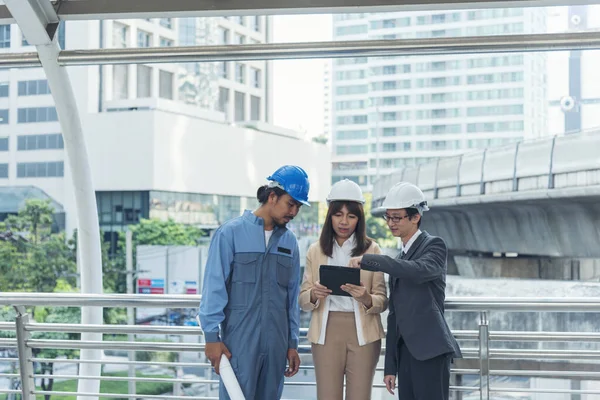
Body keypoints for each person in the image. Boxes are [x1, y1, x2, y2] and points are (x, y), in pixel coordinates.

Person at [198, 165, 310, 400]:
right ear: (272, 196)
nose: (294, 211)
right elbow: (213, 289)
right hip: (238, 344)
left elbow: (291, 299)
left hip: (277, 345)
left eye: (298, 207)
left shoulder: (289, 242)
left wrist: (292, 344)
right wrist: (211, 339)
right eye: (290, 203)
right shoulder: (230, 234)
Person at [348, 182, 462, 400]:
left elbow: (420, 270)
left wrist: (371, 260)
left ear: (416, 217)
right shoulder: (400, 258)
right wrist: (390, 365)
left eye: (397, 217)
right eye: (388, 217)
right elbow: (394, 315)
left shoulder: (434, 245)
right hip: (406, 354)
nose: (390, 223)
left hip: (430, 351)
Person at [299, 179, 388, 400]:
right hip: (326, 331)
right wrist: (313, 294)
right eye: (338, 214)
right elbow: (302, 299)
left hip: (364, 333)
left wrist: (366, 298)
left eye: (351, 215)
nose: (344, 221)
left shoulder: (372, 249)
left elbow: (382, 300)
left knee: (360, 396)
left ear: (359, 218)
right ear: (330, 216)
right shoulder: (315, 250)